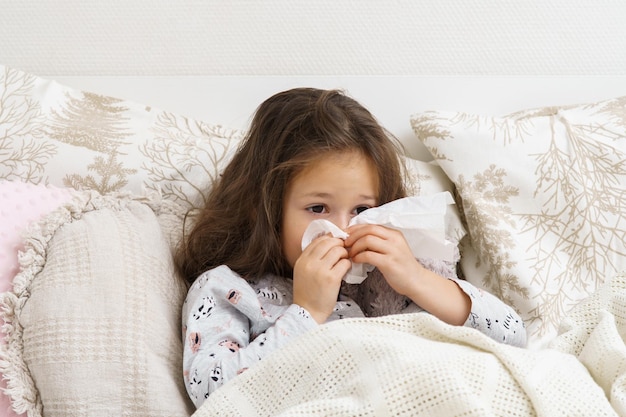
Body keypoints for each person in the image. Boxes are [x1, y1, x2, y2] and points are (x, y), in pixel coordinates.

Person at [175, 87, 526, 408]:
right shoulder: (230, 290)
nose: (342, 231)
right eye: (318, 209)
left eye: (361, 210)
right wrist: (307, 313)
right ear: (265, 208)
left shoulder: (390, 281)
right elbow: (213, 395)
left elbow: (512, 337)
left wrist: (416, 278)